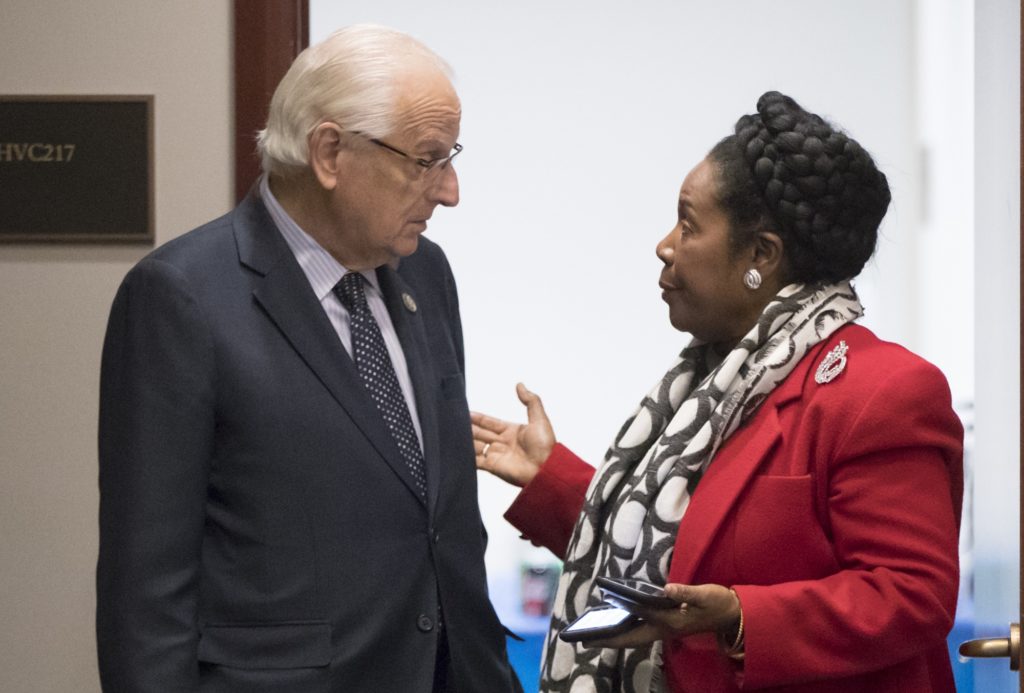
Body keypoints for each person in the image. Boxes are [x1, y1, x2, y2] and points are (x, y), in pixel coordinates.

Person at [473, 91, 963, 692]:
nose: (666, 245)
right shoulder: (713, 384)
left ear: (761, 255)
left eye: (688, 223)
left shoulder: (883, 391)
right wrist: (551, 477)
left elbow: (912, 593)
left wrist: (739, 618)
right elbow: (679, 548)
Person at [97, 24, 521, 693]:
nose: (450, 191)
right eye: (427, 159)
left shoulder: (426, 275)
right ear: (330, 152)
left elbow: (438, 521)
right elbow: (147, 588)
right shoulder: (182, 298)